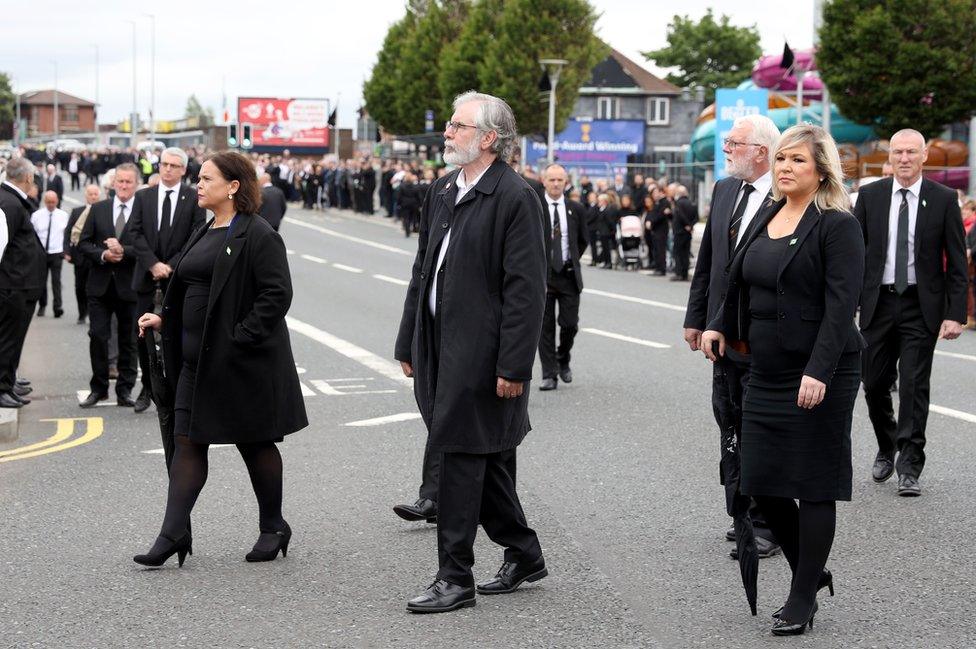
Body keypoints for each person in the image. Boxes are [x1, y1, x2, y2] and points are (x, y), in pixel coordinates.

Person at [702, 125, 864, 635]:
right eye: (781, 159)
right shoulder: (769, 213)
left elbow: (842, 307)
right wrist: (719, 326)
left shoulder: (836, 225)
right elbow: (739, 280)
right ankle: (812, 572)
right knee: (759, 479)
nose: (785, 167)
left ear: (820, 170)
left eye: (797, 160)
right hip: (764, 368)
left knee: (814, 485)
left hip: (821, 370)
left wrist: (819, 370)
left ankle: (801, 597)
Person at [394, 91, 547, 613]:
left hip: (481, 351)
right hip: (438, 342)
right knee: (484, 459)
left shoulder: (515, 196)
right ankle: (524, 552)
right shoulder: (442, 190)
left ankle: (454, 576)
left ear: (488, 138)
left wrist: (513, 364)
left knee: (458, 455)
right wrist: (408, 337)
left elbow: (527, 291)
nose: (447, 133)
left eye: (458, 126)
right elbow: (423, 270)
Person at [133, 151, 307, 568]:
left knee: (254, 442)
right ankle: (173, 534)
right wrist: (164, 319)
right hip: (196, 363)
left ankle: (273, 526)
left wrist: (240, 337)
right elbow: (189, 288)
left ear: (233, 186)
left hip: (241, 363)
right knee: (188, 441)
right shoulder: (205, 228)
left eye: (207, 178)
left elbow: (276, 295)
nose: (198, 184)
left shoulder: (258, 234)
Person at [683, 114, 781, 558]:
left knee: (761, 426)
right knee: (729, 419)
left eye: (733, 143)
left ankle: (767, 521)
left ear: (761, 151)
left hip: (763, 334)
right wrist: (696, 317)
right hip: (722, 333)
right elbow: (709, 262)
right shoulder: (726, 190)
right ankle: (741, 510)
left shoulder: (784, 197)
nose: (725, 149)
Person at [855, 129, 968, 496]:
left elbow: (956, 262)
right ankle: (887, 444)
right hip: (878, 302)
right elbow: (853, 254)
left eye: (911, 153)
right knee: (873, 383)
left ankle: (909, 464)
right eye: (898, 152)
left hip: (922, 305)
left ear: (923, 157)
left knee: (915, 384)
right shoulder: (870, 197)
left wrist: (955, 314)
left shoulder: (943, 199)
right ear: (890, 158)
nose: (904, 159)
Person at [128, 147, 207, 414]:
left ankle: (173, 388)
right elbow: (134, 233)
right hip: (146, 276)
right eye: (164, 164)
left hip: (177, 277)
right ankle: (148, 387)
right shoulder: (144, 196)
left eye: (174, 165)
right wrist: (153, 263)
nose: (168, 169)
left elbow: (196, 235)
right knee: (142, 335)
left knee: (174, 332)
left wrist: (170, 265)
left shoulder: (193, 197)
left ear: (184, 170)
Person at [78, 163, 141, 408]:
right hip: (100, 285)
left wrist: (123, 251)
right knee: (98, 336)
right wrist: (104, 255)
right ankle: (99, 388)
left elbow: (149, 249)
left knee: (129, 340)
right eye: (120, 181)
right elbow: (83, 244)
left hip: (129, 286)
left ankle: (125, 390)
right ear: (113, 184)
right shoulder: (99, 209)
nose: (124, 186)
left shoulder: (141, 211)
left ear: (136, 185)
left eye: (128, 182)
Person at [537, 163, 588, 391]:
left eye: (560, 180)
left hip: (568, 275)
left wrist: (569, 259)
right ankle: (549, 374)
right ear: (544, 181)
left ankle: (563, 357)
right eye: (552, 180)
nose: (556, 184)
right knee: (544, 328)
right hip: (542, 276)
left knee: (570, 324)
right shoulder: (535, 206)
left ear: (566, 183)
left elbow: (583, 240)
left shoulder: (575, 209)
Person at [0, 158, 46, 409]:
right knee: (7, 339)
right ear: (27, 178)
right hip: (12, 286)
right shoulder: (8, 203)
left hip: (20, 284)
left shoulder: (13, 200)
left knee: (13, 339)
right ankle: (2, 387)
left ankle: (8, 380)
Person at [65, 185, 101, 324]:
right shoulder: (77, 211)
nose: (93, 197)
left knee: (93, 287)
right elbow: (68, 232)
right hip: (79, 256)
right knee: (79, 286)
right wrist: (66, 252)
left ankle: (93, 313)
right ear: (86, 195)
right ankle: (82, 313)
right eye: (90, 194)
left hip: (96, 257)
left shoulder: (103, 210)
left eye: (95, 194)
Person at [30, 190, 69, 318]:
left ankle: (57, 307)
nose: (51, 204)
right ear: (44, 202)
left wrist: (66, 251)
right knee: (41, 281)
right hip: (41, 253)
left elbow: (67, 235)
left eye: (53, 202)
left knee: (56, 281)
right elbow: (31, 235)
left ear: (57, 201)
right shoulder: (37, 215)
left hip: (56, 252)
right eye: (48, 202)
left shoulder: (63, 215)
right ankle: (42, 305)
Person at [670, 184, 697, 281]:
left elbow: (680, 215)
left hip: (679, 231)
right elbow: (696, 217)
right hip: (688, 232)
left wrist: (687, 224)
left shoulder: (678, 203)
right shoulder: (692, 203)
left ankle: (679, 273)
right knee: (686, 253)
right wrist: (691, 226)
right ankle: (685, 274)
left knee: (677, 253)